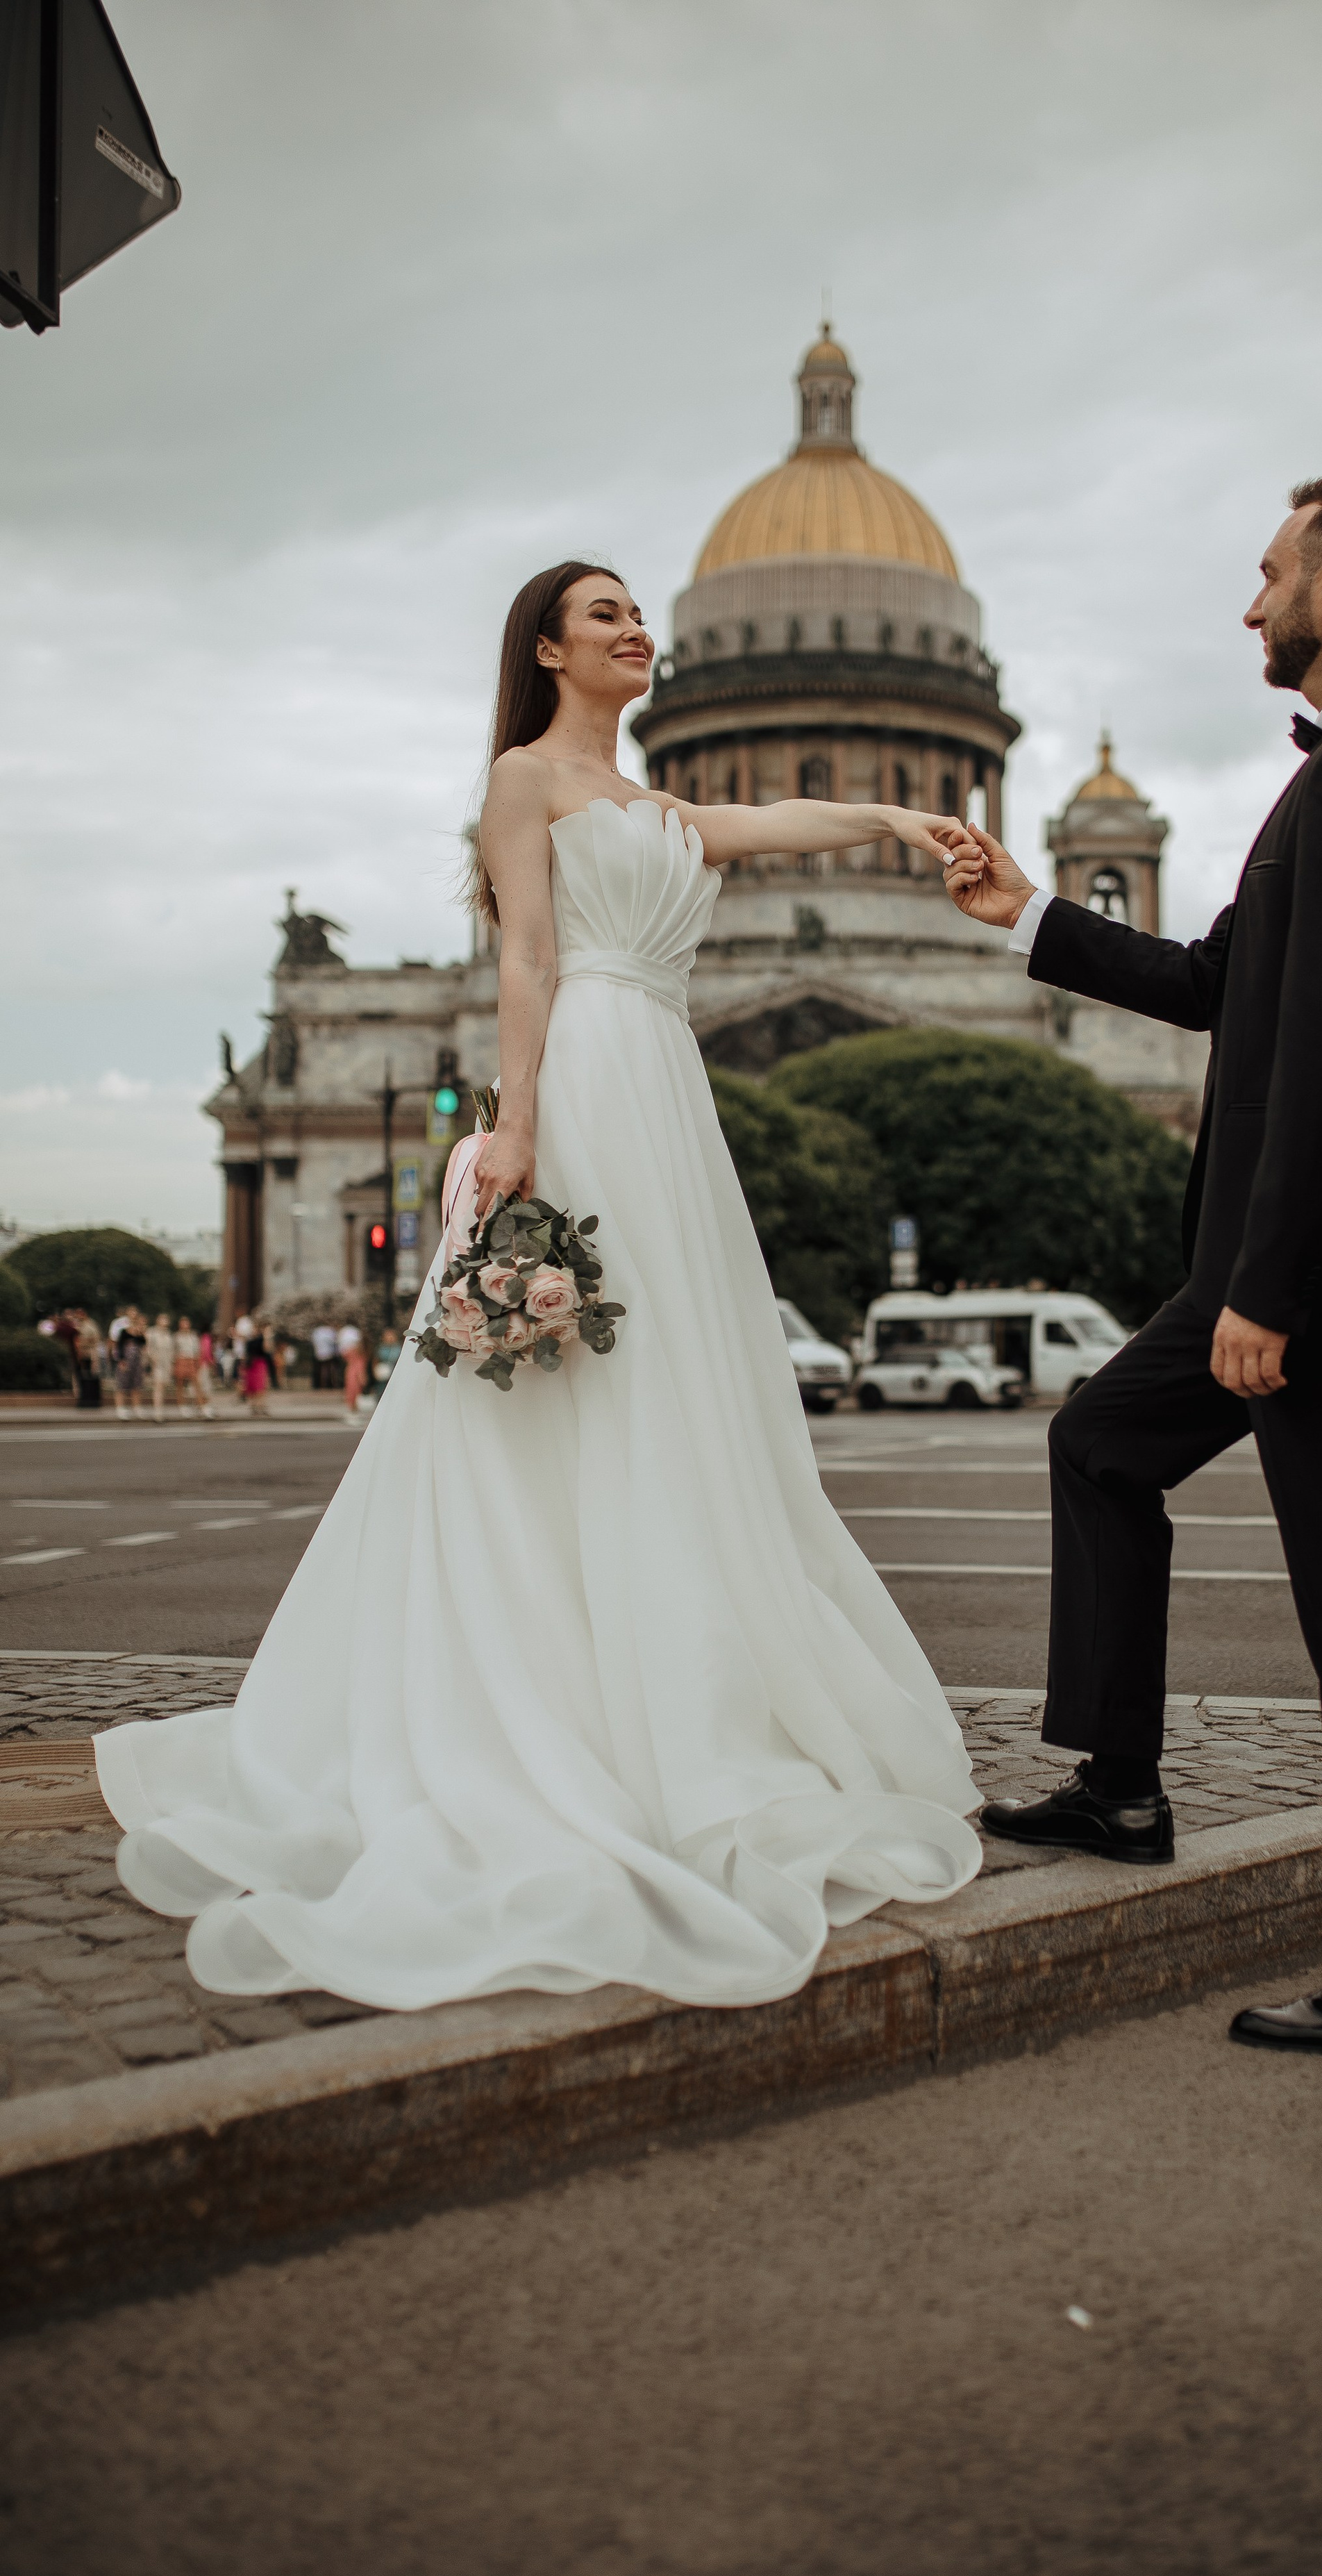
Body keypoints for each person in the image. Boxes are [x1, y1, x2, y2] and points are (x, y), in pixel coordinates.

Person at [96, 557, 985, 2013]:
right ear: (550, 652)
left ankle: (666, 1705)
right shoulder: (523, 781)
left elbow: (763, 819)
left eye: (641, 614)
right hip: (583, 1081)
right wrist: (509, 1127)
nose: (638, 631)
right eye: (607, 617)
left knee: (674, 1392)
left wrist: (896, 814)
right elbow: (524, 955)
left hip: (666, 1097)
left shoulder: (657, 807)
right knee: (566, 1389)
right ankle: (547, 1716)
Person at [946, 472, 1322, 2057]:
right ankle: (1118, 1785)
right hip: (1285, 1257)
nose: (1242, 602)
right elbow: (1218, 985)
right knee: (1100, 1443)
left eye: (1262, 573)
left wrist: (1262, 1283)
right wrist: (1024, 913)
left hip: (1311, 1270)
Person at [110, 1308, 147, 1420]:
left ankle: (137, 1408)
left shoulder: (139, 1330)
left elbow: (144, 1343)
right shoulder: (123, 1331)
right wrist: (121, 1360)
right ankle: (120, 1409)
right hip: (126, 1360)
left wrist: (140, 1332)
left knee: (136, 1385)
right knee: (122, 1385)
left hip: (137, 1360)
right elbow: (119, 1346)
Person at [145, 1312, 175, 1422]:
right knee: (158, 1387)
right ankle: (158, 1413)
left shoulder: (168, 1334)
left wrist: (172, 1363)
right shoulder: (152, 1332)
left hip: (166, 1363)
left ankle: (160, 1410)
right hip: (156, 1364)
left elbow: (172, 1350)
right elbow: (148, 1348)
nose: (165, 1322)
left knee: (163, 1387)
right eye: (163, 1319)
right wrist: (152, 1358)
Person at [172, 1315, 201, 1418]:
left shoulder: (193, 1336)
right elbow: (174, 1350)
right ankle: (182, 1406)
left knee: (196, 1383)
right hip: (181, 1359)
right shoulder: (177, 1336)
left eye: (186, 1323)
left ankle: (201, 1406)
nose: (185, 1325)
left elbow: (197, 1350)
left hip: (191, 1359)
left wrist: (197, 1362)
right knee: (180, 1384)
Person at [339, 1318, 367, 1413]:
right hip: (355, 1377)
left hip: (352, 1375)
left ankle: (352, 1404)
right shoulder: (358, 1357)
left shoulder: (343, 1333)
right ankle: (354, 1405)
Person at [311, 1319, 339, 1392]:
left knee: (322, 1370)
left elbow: (314, 1342)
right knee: (331, 1370)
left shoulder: (316, 1331)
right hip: (329, 1354)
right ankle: (332, 1384)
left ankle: (323, 1385)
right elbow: (335, 1342)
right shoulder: (330, 1331)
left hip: (319, 1354)